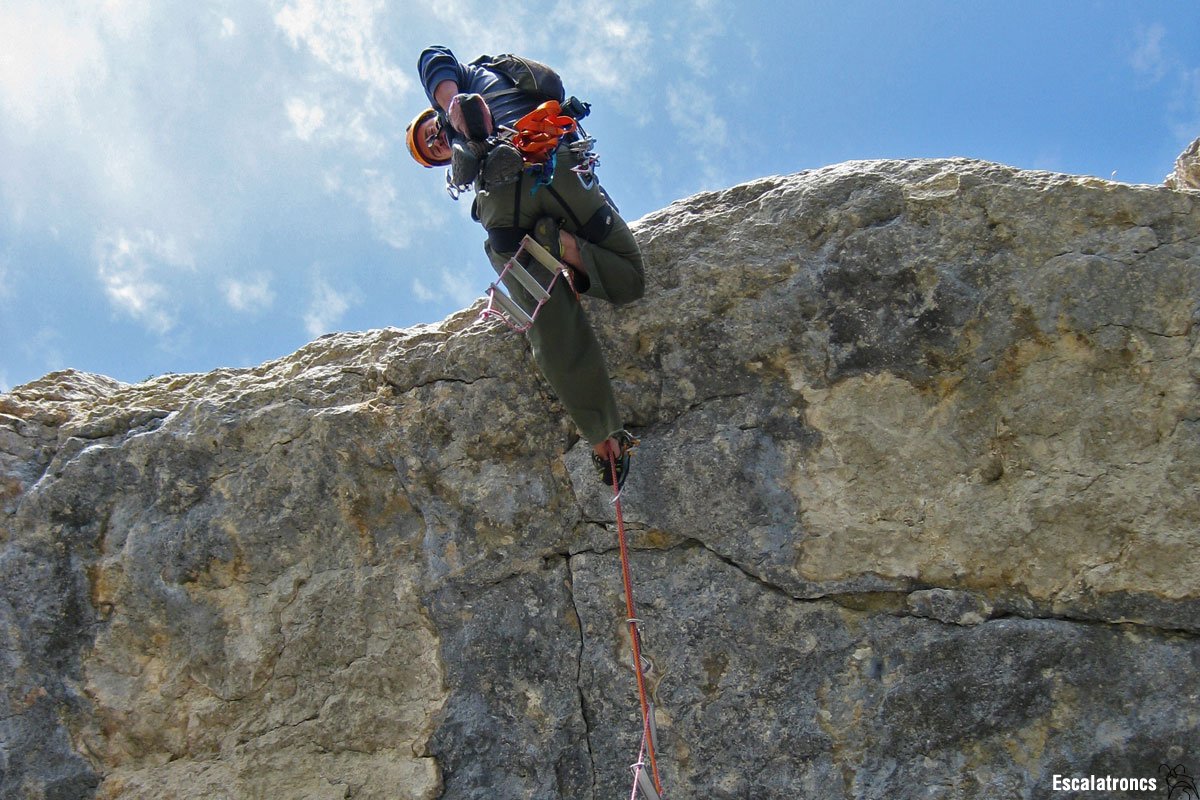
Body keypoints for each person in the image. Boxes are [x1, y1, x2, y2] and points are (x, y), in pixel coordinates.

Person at [406, 45, 645, 488]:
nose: (434, 142)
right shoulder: (497, 78)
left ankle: (550, 241)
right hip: (559, 169)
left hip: (517, 195)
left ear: (433, 113)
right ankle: (604, 437)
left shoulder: (467, 78)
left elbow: (433, 58)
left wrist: (452, 105)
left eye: (429, 134)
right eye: (432, 151)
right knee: (601, 288)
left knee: (595, 296)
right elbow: (433, 58)